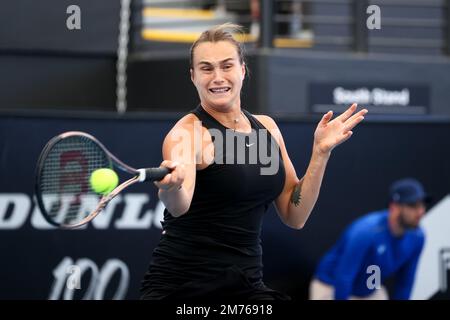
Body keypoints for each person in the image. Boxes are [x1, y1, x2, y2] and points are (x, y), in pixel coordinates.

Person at [140, 23, 368, 300]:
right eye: (206, 68)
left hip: (245, 285)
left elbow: (294, 215)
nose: (217, 77)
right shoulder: (187, 134)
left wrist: (320, 152)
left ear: (242, 69)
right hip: (184, 287)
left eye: (226, 66)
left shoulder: (267, 129)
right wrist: (171, 187)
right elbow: (179, 206)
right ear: (193, 76)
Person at [309, 178, 429, 300]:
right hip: (331, 286)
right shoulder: (366, 232)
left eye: (422, 205)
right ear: (394, 207)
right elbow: (344, 277)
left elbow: (405, 283)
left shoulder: (418, 237)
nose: (421, 211)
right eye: (413, 205)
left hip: (369, 290)